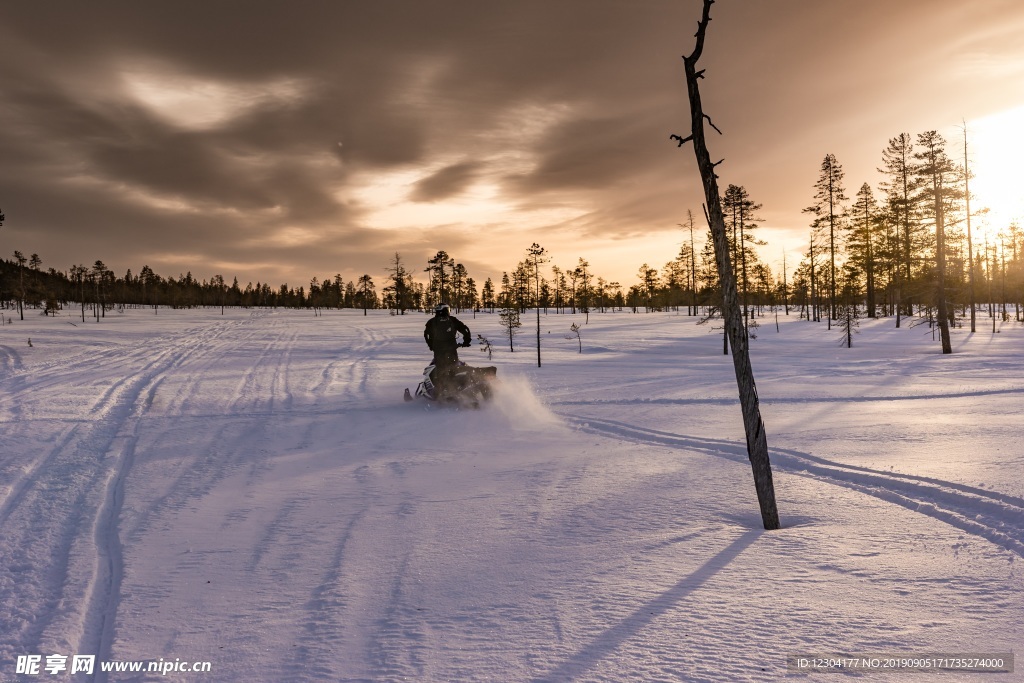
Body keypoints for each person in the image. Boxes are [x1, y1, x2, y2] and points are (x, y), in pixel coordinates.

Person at [424, 303, 472, 398]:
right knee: (454, 368)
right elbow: (465, 329)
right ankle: (453, 389)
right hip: (452, 350)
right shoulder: (452, 320)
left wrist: (431, 345)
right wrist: (466, 340)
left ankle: (442, 392)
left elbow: (427, 335)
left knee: (441, 370)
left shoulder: (432, 322)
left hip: (438, 351)